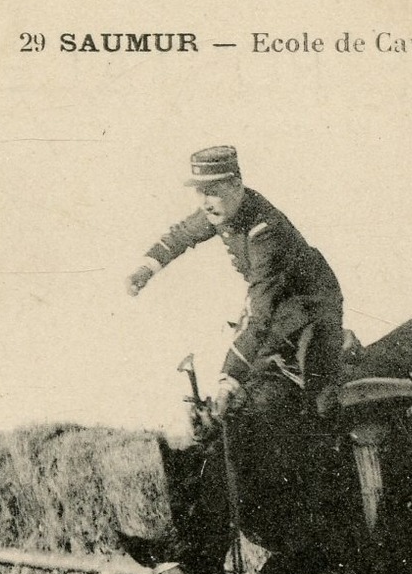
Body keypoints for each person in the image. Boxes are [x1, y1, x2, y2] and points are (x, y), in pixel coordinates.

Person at [126, 146, 346, 422]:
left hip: (311, 306)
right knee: (254, 379)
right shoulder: (222, 210)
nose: (205, 202)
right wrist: (144, 270)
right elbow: (181, 235)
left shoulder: (265, 231)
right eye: (200, 191)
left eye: (213, 191)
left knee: (320, 403)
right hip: (273, 301)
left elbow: (260, 317)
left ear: (236, 185)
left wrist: (227, 380)